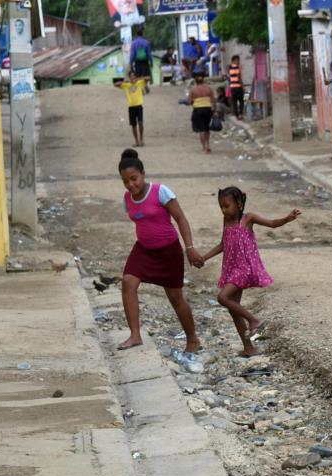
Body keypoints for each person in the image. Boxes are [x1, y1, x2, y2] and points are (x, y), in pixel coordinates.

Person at [116, 149, 203, 352]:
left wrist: (189, 248)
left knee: (175, 297)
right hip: (143, 250)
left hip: (169, 252)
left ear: (143, 174)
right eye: (125, 181)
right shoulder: (127, 199)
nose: (131, 185)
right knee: (128, 282)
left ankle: (192, 340)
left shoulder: (161, 191)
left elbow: (181, 218)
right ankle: (135, 335)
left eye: (134, 179)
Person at [200, 187, 300, 357]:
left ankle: (255, 320)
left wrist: (288, 218)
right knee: (234, 310)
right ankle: (250, 347)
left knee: (222, 298)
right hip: (231, 269)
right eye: (221, 207)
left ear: (239, 204)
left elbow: (272, 223)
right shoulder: (227, 222)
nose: (224, 210)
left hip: (244, 268)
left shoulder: (248, 219)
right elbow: (223, 244)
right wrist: (204, 257)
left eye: (227, 206)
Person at [114, 71, 150, 147]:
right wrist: (125, 81)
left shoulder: (140, 83)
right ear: (129, 77)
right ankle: (136, 141)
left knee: (140, 122)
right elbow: (115, 84)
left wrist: (138, 78)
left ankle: (141, 139)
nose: (133, 77)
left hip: (139, 105)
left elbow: (148, 78)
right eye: (131, 76)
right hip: (131, 107)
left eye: (134, 76)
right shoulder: (126, 85)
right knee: (133, 125)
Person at [189, 72, 215, 153]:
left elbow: (190, 101)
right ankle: (208, 145)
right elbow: (213, 100)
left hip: (198, 110)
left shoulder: (193, 89)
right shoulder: (208, 88)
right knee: (207, 128)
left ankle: (204, 148)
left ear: (195, 80)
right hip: (208, 109)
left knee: (201, 130)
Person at [129, 27, 152, 93]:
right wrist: (151, 61)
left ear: (136, 34)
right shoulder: (146, 42)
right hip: (145, 61)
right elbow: (149, 53)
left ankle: (141, 88)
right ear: (142, 34)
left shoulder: (134, 43)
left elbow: (132, 54)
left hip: (137, 61)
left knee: (138, 75)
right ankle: (144, 85)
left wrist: (131, 63)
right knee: (146, 75)